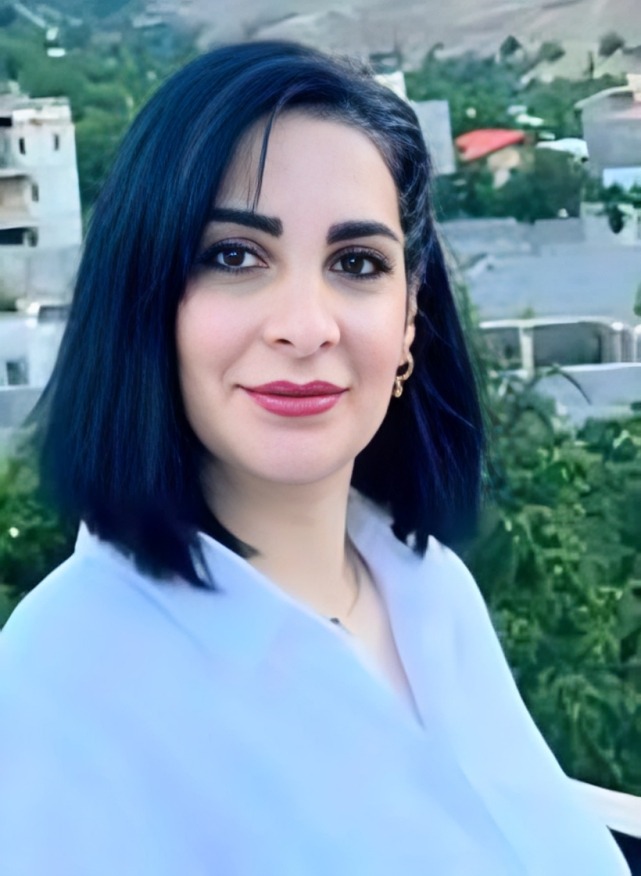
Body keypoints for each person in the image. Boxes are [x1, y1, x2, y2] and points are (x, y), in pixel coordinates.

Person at [0, 41, 629, 875]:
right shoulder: (62, 679)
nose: (305, 327)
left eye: (356, 263)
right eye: (234, 255)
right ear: (146, 300)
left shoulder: (430, 590)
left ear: (408, 319)